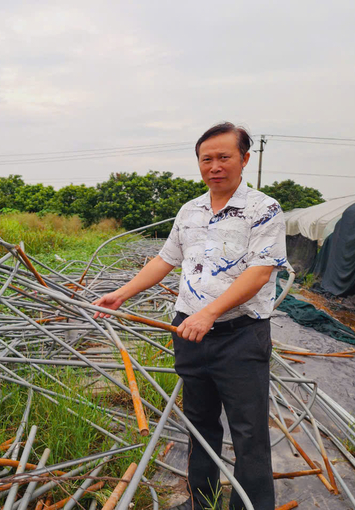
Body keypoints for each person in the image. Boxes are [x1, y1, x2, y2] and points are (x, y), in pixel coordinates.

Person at [93, 122, 287, 509]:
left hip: (240, 335)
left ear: (245, 159)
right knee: (199, 425)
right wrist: (121, 294)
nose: (215, 166)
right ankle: (204, 500)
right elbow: (166, 259)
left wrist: (210, 313)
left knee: (249, 432)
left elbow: (259, 272)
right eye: (207, 159)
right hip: (190, 332)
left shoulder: (263, 209)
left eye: (224, 157)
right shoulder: (190, 210)